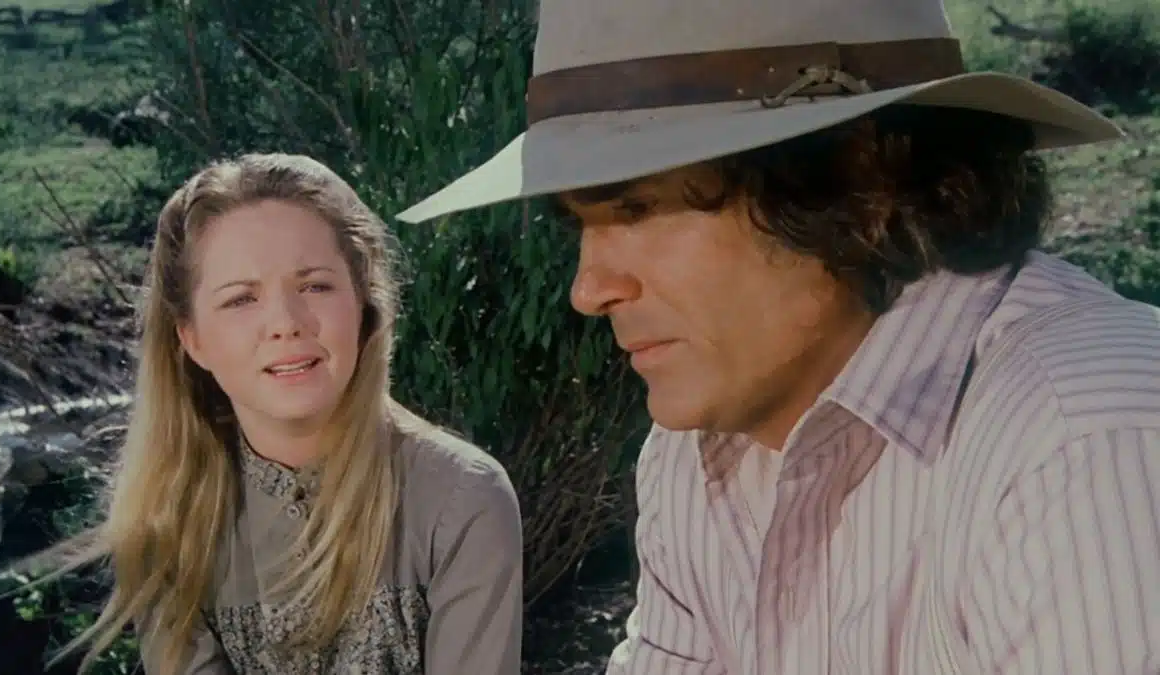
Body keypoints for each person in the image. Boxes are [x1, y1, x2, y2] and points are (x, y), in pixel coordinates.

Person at [395, 0, 1160, 673]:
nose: (588, 289)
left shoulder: (1084, 441)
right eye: (579, 226)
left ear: (859, 181)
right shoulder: (697, 459)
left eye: (636, 209)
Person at [42, 152, 523, 675]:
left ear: (364, 305)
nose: (285, 323)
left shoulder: (462, 499)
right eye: (241, 299)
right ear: (192, 339)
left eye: (314, 286)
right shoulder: (169, 523)